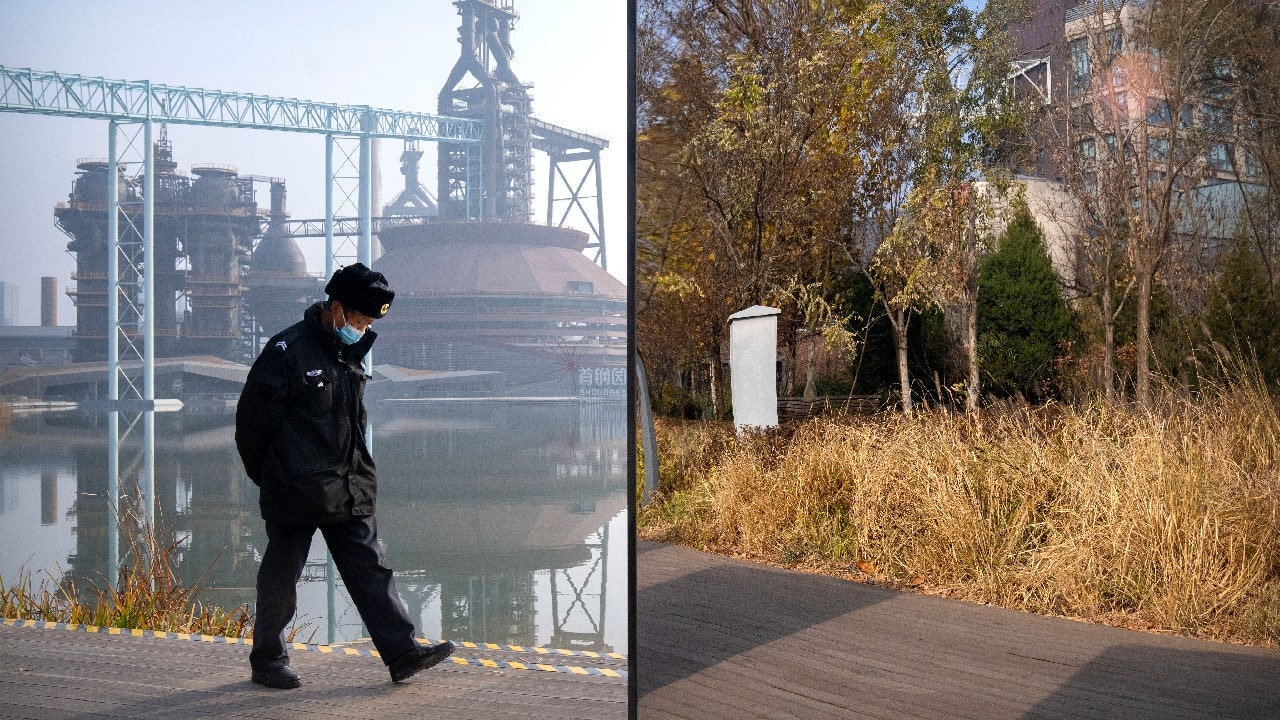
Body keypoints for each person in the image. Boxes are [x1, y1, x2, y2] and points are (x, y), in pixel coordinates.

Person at [235, 262, 454, 689]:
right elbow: (251, 426)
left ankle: (402, 653)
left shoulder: (346, 351)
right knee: (281, 576)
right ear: (335, 308)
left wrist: (360, 475)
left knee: (371, 568)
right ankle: (268, 661)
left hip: (348, 484)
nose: (363, 327)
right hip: (294, 489)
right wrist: (272, 477)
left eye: (369, 321)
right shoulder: (287, 352)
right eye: (358, 318)